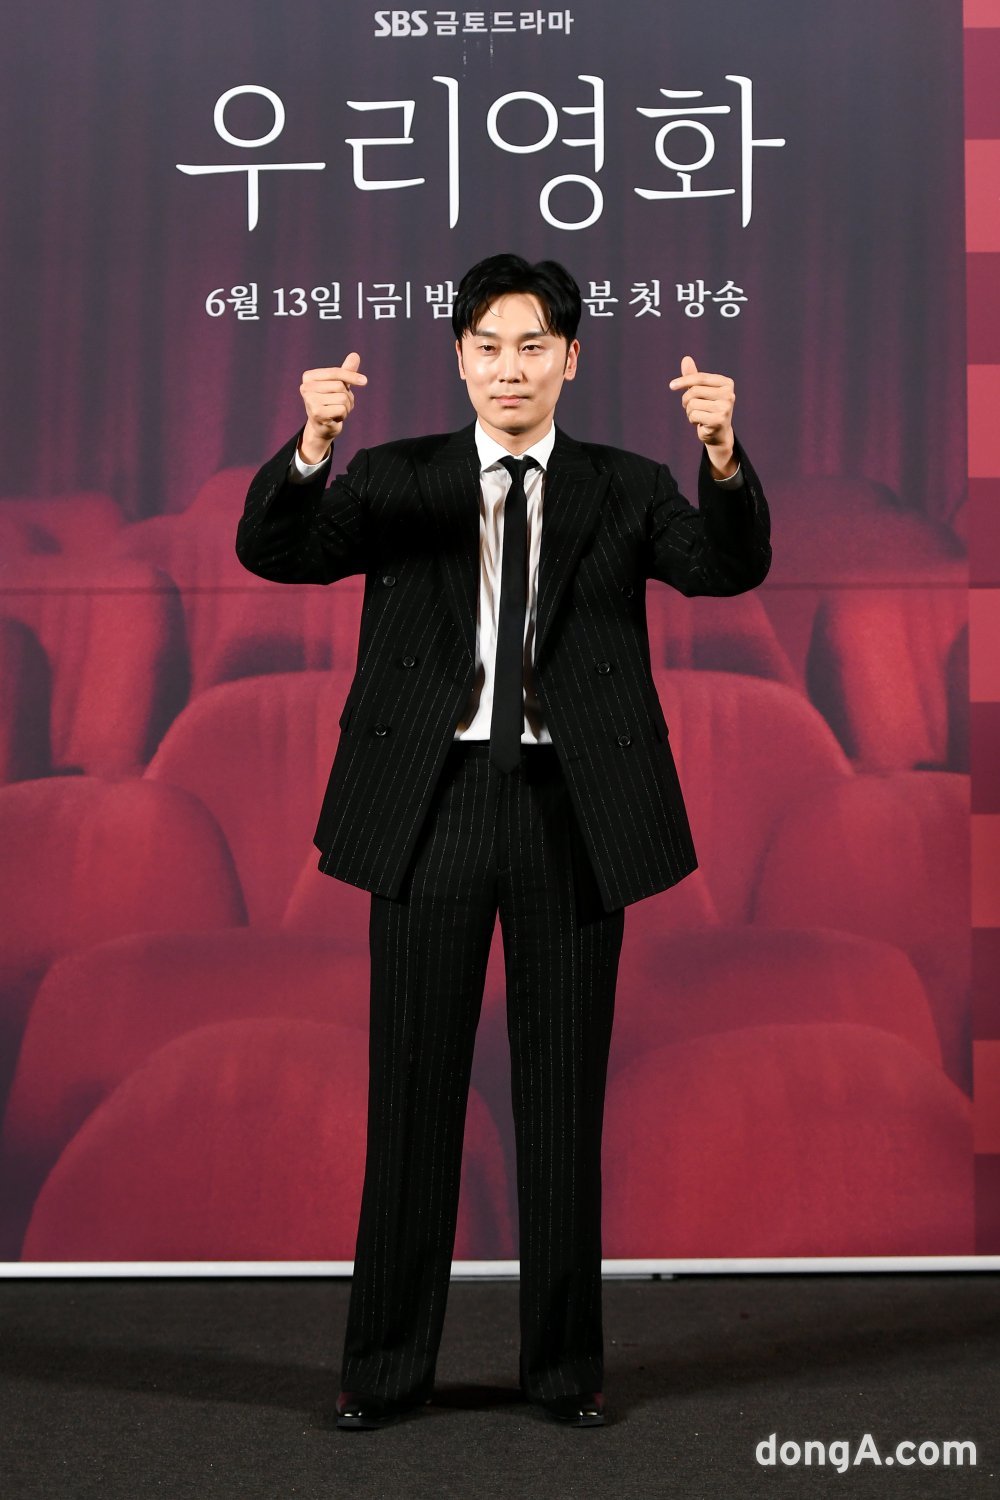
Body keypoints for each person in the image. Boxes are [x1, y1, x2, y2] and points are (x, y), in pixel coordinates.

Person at [235, 253, 771, 1430]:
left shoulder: (625, 487)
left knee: (562, 1100)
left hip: (571, 810)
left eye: (532, 346)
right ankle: (383, 1372)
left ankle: (565, 1372)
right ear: (459, 358)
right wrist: (312, 446)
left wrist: (722, 457)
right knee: (410, 1094)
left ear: (570, 358)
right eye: (487, 347)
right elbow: (276, 553)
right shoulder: (395, 476)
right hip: (428, 804)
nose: (508, 368)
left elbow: (727, 570)